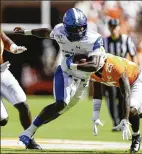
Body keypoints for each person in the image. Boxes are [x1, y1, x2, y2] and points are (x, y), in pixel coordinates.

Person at [13, 8, 122, 148]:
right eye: (73, 29)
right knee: (60, 103)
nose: (77, 32)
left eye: (80, 28)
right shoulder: (60, 31)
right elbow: (46, 32)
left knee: (60, 110)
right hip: (65, 72)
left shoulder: (94, 39)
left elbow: (94, 65)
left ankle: (28, 133)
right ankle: (27, 134)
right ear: (66, 27)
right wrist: (26, 32)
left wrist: (74, 65)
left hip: (83, 79)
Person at [86, 53, 142, 153]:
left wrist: (125, 119)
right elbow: (97, 93)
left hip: (139, 81)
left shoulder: (115, 66)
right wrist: (95, 116)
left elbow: (126, 95)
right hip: (128, 84)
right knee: (139, 112)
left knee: (130, 109)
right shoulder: (93, 71)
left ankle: (136, 136)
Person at [0, 30, 41, 149]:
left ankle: (29, 139)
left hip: (2, 72)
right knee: (2, 120)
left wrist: (13, 47)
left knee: (22, 104)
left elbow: (4, 39)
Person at [103, 19, 138, 131]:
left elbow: (133, 56)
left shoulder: (126, 39)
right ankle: (116, 122)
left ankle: (123, 121)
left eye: (115, 26)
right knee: (111, 98)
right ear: (109, 28)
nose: (113, 29)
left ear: (119, 27)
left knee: (123, 97)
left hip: (123, 74)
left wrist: (135, 72)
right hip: (108, 75)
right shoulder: (104, 41)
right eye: (111, 27)